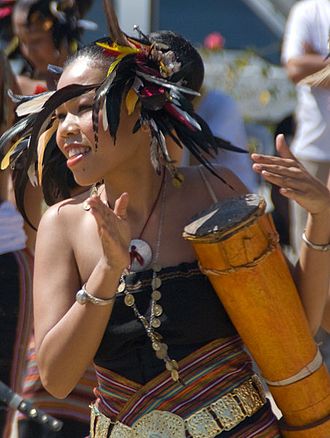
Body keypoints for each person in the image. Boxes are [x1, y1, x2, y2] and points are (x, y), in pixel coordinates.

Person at [2, 13, 329, 437]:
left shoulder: (213, 193)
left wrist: (320, 219)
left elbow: (297, 328)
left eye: (84, 107)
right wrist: (106, 272)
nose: (66, 129)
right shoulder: (63, 225)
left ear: (141, 104)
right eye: (60, 114)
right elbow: (57, 378)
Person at [281, 0, 330, 256]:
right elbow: (295, 67)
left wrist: (317, 62)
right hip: (314, 154)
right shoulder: (309, 10)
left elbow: (304, 67)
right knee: (310, 252)